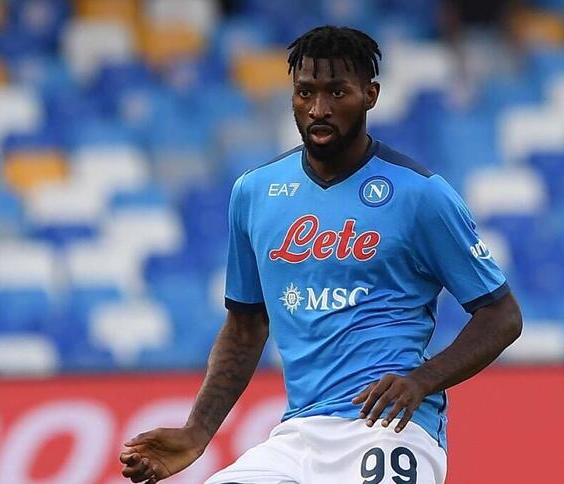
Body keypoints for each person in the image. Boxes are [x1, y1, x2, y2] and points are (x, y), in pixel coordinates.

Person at [120, 25, 523, 484]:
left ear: (370, 95)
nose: (318, 109)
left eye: (337, 92)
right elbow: (246, 324)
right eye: (304, 92)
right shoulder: (255, 193)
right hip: (299, 433)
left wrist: (422, 380)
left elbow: (502, 315)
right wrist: (197, 432)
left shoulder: (421, 195)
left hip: (391, 430)